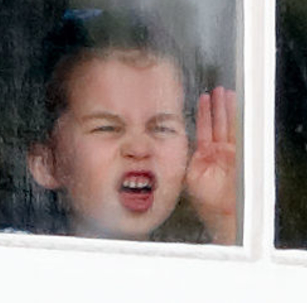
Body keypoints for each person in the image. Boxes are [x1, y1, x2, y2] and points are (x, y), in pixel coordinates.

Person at [25, 12, 237, 244]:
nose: (139, 148)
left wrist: (225, 221)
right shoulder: (8, 262)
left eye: (162, 128)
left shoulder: (186, 274)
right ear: (46, 163)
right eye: (107, 128)